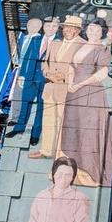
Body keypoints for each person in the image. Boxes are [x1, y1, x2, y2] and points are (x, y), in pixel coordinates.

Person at [60, 21, 112, 186]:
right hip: (73, 92)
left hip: (91, 92)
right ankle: (74, 169)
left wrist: (80, 84)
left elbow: (103, 72)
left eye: (97, 29)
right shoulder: (80, 46)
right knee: (73, 128)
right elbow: (71, 67)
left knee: (88, 131)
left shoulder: (102, 49)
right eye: (90, 28)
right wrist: (70, 83)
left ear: (102, 32)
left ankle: (91, 172)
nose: (93, 32)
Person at [38, 16, 84, 160]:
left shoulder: (84, 45)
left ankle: (60, 153)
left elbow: (83, 67)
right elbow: (44, 62)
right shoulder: (55, 43)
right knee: (48, 120)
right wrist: (48, 74)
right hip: (50, 87)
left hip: (66, 90)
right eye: (65, 27)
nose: (67, 30)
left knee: (64, 122)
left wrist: (63, 76)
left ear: (77, 30)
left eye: (71, 28)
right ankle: (46, 151)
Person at [7, 18, 46, 146]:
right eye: (30, 25)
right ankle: (19, 127)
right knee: (25, 103)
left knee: (41, 106)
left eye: (35, 25)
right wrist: (22, 74)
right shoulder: (30, 39)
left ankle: (35, 135)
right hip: (29, 76)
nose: (32, 27)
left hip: (44, 77)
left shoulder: (48, 40)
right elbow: (26, 58)